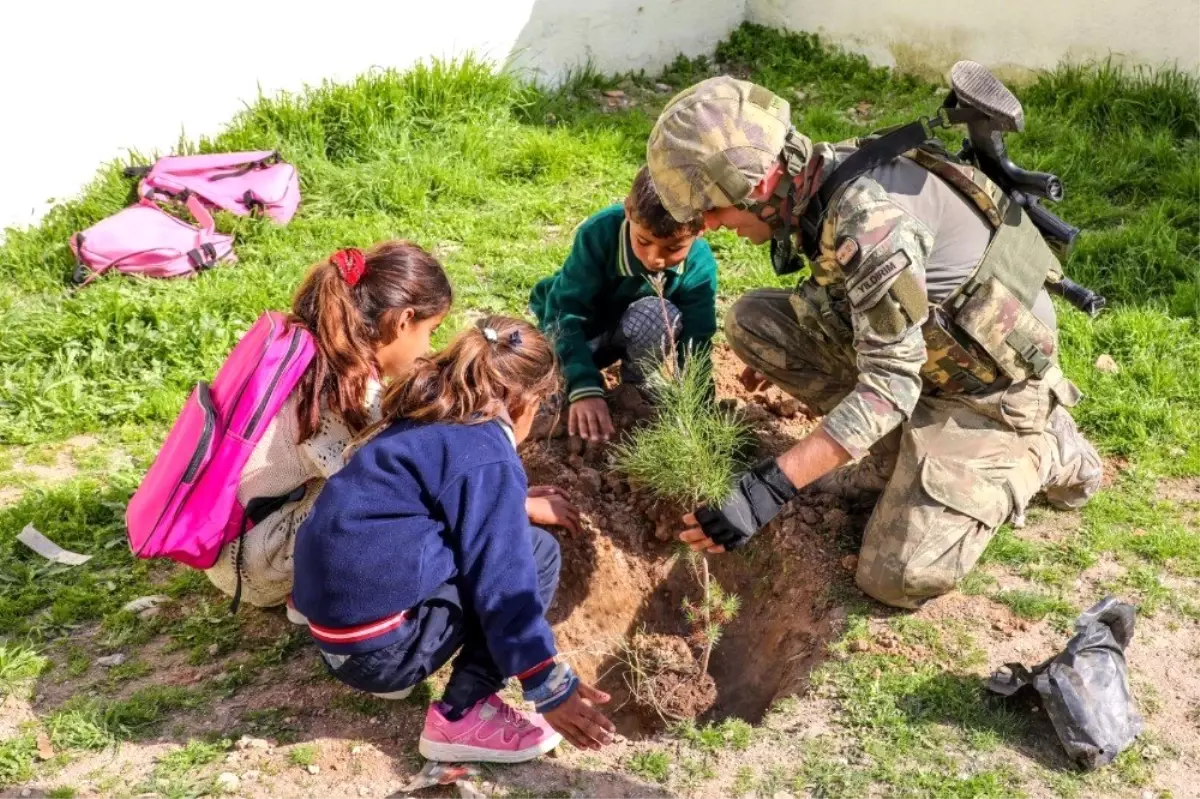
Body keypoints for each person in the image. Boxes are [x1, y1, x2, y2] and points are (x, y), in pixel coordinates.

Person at [646, 75, 1103, 609]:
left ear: (763, 185)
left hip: (988, 396)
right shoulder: (823, 177)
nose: (710, 227)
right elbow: (854, 298)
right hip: (926, 358)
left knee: (898, 576)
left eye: (714, 210)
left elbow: (889, 384)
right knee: (755, 324)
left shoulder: (871, 223)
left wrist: (766, 490)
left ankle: (1047, 446)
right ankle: (899, 455)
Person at [291, 316, 614, 763]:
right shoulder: (486, 456)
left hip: (334, 637)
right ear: (525, 402)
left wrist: (509, 500)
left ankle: (398, 655)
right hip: (377, 656)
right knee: (537, 551)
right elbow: (505, 581)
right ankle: (462, 715)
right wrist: (547, 684)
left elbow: (427, 501)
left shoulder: (428, 413)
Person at [204, 242, 453, 613]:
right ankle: (310, 595)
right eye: (431, 330)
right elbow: (385, 491)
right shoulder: (343, 391)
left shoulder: (310, 345)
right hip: (253, 564)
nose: (429, 345)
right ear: (403, 321)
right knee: (396, 500)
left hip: (232, 536)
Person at [530, 165, 719, 443]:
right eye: (643, 241)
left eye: (673, 249)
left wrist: (699, 411)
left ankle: (637, 384)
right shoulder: (600, 234)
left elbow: (696, 342)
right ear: (628, 210)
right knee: (546, 379)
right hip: (580, 332)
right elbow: (563, 314)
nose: (655, 259)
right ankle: (561, 382)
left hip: (626, 332)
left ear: (701, 229)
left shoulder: (699, 265)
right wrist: (584, 387)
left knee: (662, 313)